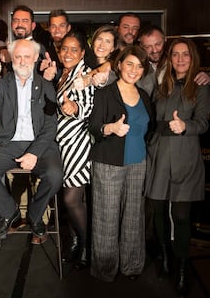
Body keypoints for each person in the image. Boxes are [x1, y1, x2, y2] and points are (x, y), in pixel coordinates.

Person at [0, 39, 63, 241]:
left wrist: (34, 152)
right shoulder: (0, 83)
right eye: (18, 57)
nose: (22, 61)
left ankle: (34, 215)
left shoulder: (46, 86)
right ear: (12, 59)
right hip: (7, 144)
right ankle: (9, 211)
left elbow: (51, 125)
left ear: (35, 58)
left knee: (55, 175)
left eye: (27, 56)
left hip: (40, 143)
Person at [144, 37, 210, 296]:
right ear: (169, 58)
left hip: (186, 155)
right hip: (159, 154)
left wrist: (186, 126)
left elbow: (204, 122)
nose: (181, 59)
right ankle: (164, 258)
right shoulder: (162, 84)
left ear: (193, 58)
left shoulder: (201, 85)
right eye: (175, 54)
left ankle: (182, 266)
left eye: (185, 54)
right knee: (158, 211)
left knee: (181, 216)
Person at [88, 45, 153, 282]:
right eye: (129, 64)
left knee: (134, 217)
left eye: (139, 66)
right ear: (119, 65)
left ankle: (132, 265)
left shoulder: (144, 95)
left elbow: (150, 128)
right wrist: (111, 128)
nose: (134, 70)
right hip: (109, 163)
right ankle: (105, 269)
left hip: (138, 163)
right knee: (106, 217)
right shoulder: (105, 93)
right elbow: (94, 127)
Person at [54, 29, 96, 269]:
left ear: (82, 52)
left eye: (74, 49)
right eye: (64, 49)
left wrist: (75, 108)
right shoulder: (65, 73)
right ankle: (78, 243)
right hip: (63, 143)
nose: (68, 53)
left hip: (77, 142)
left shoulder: (84, 73)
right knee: (72, 199)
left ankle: (88, 244)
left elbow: (88, 105)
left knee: (72, 198)